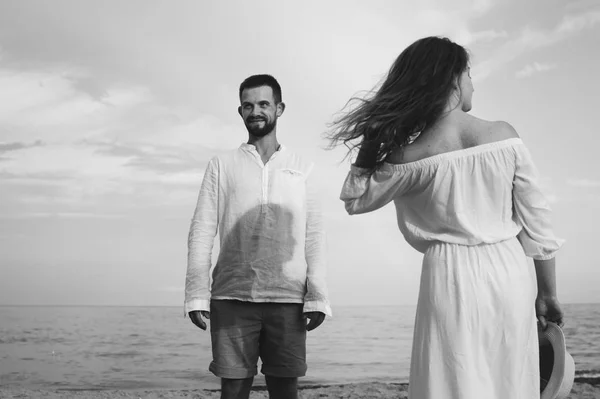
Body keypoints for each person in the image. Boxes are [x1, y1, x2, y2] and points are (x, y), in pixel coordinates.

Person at [328, 36, 564, 399]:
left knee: (452, 382)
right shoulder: (503, 136)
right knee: (511, 378)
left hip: (447, 276)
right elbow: (539, 224)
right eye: (469, 73)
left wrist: (371, 144)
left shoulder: (408, 158)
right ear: (452, 78)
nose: (473, 82)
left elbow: (355, 199)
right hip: (507, 271)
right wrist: (547, 294)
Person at [185, 74, 332, 399]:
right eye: (248, 105)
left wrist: (318, 296)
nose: (256, 111)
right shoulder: (221, 165)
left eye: (263, 104)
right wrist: (196, 292)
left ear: (279, 108)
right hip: (231, 297)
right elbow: (202, 229)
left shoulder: (302, 167)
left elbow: (314, 234)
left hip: (289, 299)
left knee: (284, 390)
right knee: (233, 390)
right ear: (240, 112)